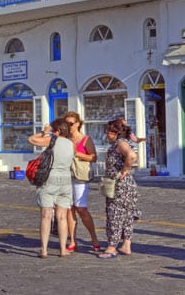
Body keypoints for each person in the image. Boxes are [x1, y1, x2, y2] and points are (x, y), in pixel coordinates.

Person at [28, 118, 74, 258]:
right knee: (62, 216)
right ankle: (63, 249)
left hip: (50, 178)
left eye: (54, 130)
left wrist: (44, 132)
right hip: (66, 179)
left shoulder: (52, 140)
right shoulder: (71, 144)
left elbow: (31, 139)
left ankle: (44, 250)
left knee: (46, 215)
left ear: (58, 131)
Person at [98, 119, 139, 259]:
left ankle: (111, 247)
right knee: (127, 215)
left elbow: (132, 156)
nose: (106, 134)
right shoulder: (123, 143)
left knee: (114, 214)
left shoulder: (120, 143)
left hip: (119, 185)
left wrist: (124, 170)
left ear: (116, 133)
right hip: (127, 185)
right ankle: (126, 244)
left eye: (108, 132)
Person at [63, 111, 101, 252]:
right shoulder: (64, 138)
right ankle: (73, 240)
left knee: (81, 208)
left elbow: (93, 157)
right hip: (66, 175)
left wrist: (77, 153)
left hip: (80, 176)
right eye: (66, 123)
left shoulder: (85, 139)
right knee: (69, 208)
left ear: (78, 124)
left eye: (71, 123)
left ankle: (94, 237)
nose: (69, 126)